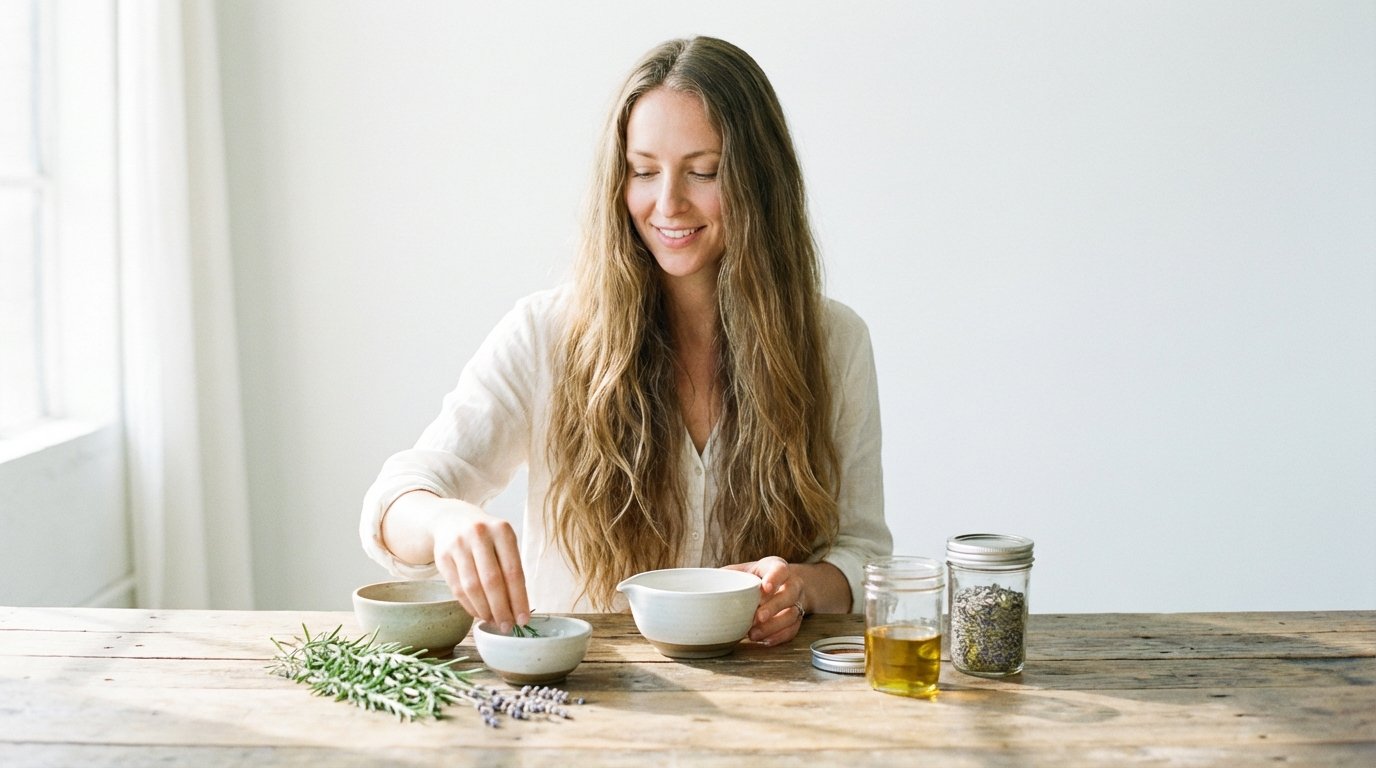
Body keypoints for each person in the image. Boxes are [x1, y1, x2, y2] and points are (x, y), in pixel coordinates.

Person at [360, 36, 890, 647]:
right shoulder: (545, 335)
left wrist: (802, 586)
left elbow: (863, 554)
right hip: (582, 687)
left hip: (767, 687)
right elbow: (393, 501)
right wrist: (445, 521)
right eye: (643, 171)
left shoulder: (835, 342)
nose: (667, 204)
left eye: (703, 171)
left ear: (760, 181)